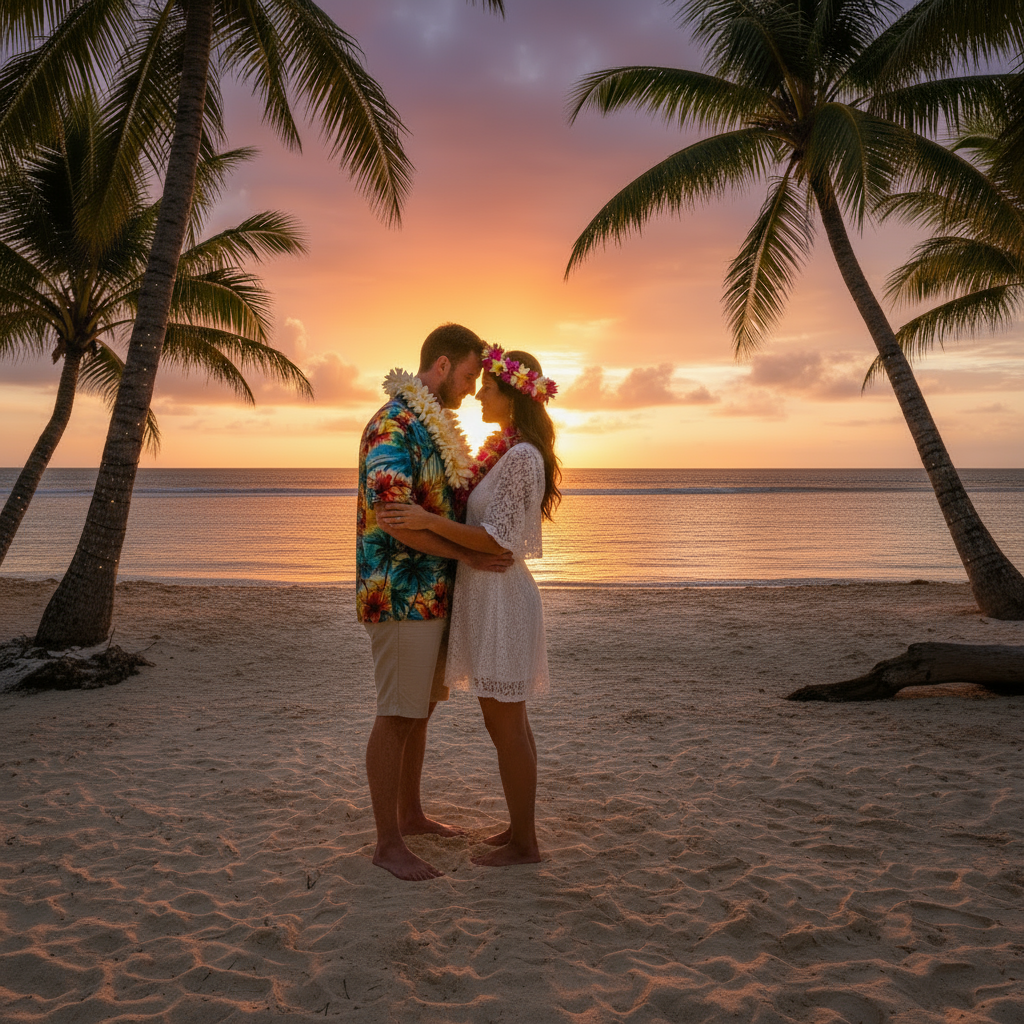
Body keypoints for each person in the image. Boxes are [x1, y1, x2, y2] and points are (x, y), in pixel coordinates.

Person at [379, 345, 560, 867]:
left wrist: (425, 520)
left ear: (511, 395)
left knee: (507, 726)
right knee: (505, 724)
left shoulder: (523, 457)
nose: (479, 392)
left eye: (489, 386)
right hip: (486, 599)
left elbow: (498, 541)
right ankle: (518, 827)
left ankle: (525, 844)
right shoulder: (508, 450)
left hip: (502, 598)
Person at [357, 323, 512, 882]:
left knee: (419, 711)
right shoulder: (393, 425)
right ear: (441, 366)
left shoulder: (431, 425)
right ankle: (387, 843)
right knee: (396, 713)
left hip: (431, 594)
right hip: (398, 591)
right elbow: (395, 519)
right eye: (470, 374)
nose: (473, 388)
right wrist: (468, 556)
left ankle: (412, 814)